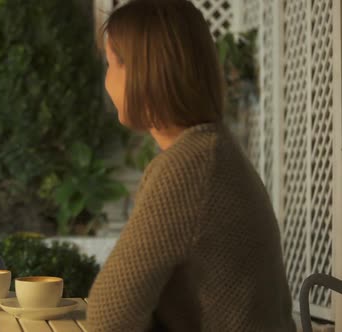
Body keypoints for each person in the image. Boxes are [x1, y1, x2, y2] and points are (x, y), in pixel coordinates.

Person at [87, 1, 295, 331]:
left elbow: (109, 316)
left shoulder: (191, 166)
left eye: (111, 64)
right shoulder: (211, 151)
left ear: (144, 72)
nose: (107, 80)